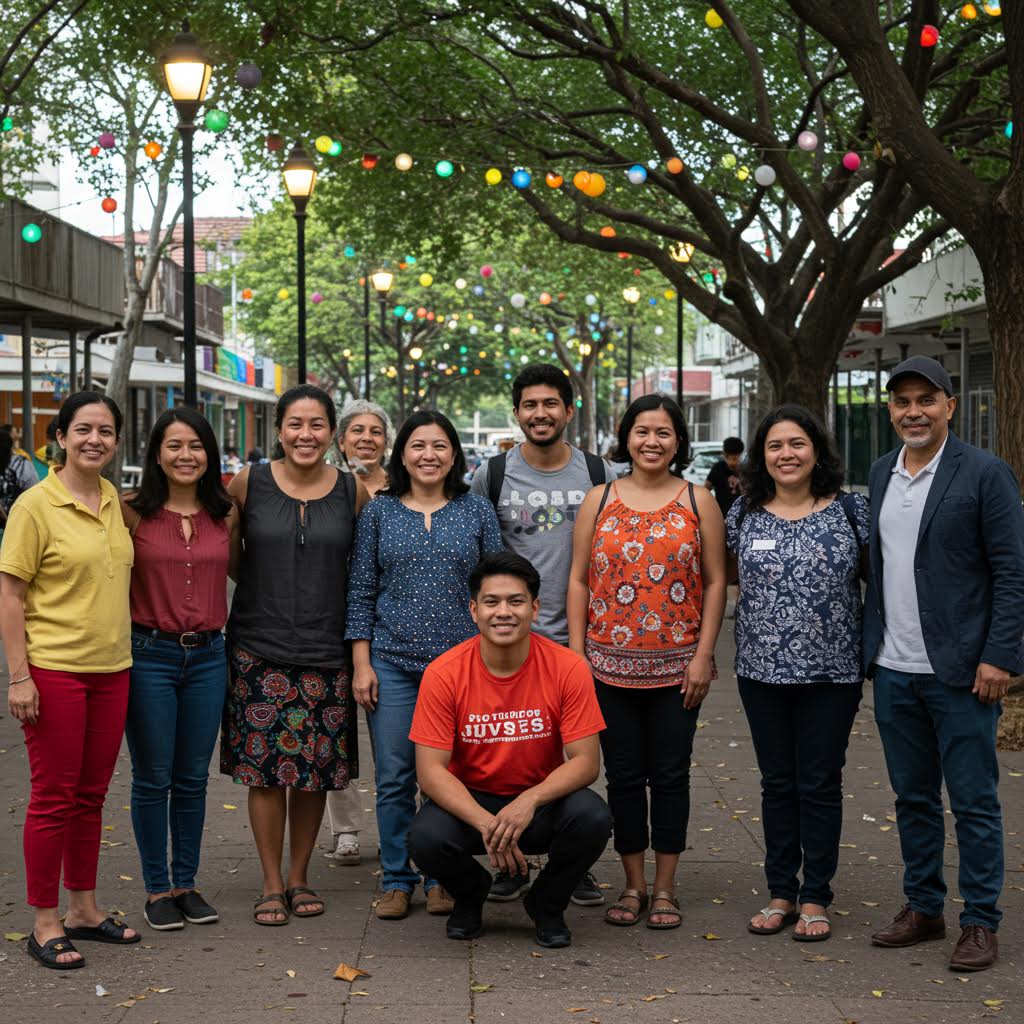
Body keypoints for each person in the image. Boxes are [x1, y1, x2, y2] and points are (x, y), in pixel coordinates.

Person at [863, 356, 1024, 972]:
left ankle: (980, 920)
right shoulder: (881, 473)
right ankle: (924, 906)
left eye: (925, 400)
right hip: (894, 666)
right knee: (913, 798)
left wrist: (999, 656)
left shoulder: (985, 473)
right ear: (891, 410)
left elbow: (1012, 572)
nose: (913, 411)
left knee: (975, 800)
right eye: (901, 401)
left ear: (950, 406)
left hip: (963, 671)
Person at [568, 394, 727, 929]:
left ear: (677, 441)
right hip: (607, 668)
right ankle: (632, 885)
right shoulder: (600, 498)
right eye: (642, 431)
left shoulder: (697, 499)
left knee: (671, 776)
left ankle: (665, 888)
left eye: (662, 432)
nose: (651, 442)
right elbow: (579, 580)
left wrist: (703, 655)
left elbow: (715, 580)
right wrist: (576, 656)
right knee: (623, 778)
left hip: (678, 669)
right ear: (626, 437)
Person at [346, 409, 504, 920]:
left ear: (454, 454)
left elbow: (496, 588)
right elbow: (361, 591)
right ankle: (397, 878)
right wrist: (361, 664)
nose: (429, 455)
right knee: (395, 776)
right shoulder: (380, 512)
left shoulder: (476, 510)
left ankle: (442, 876)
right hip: (391, 664)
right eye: (418, 446)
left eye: (439, 446)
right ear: (403, 454)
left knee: (450, 776)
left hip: (462, 668)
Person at [0, 392, 139, 969]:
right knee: (53, 797)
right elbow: (11, 594)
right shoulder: (35, 505)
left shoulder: (111, 497)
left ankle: (84, 908)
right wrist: (19, 678)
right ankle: (44, 921)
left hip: (113, 669)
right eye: (83, 429)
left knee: (91, 796)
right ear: (59, 437)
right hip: (54, 670)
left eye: (105, 432)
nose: (94, 440)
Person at [408, 552, 611, 947]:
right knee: (424, 836)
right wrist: (487, 824)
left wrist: (529, 801)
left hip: (540, 801)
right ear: (473, 610)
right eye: (491, 602)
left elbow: (587, 763)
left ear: (534, 607)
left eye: (516, 601)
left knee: (593, 817)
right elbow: (430, 772)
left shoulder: (567, 667)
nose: (504, 612)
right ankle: (470, 895)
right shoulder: (444, 673)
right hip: (472, 803)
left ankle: (547, 904)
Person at [470, 363, 615, 905]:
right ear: (517, 413)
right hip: (510, 640)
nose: (540, 414)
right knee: (512, 751)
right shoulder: (493, 474)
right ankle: (509, 859)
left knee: (571, 756)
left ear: (569, 410)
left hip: (580, 639)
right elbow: (480, 557)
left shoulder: (598, 472)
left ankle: (571, 861)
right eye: (530, 405)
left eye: (550, 403)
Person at [222, 384, 366, 926]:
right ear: (279, 429)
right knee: (264, 771)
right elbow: (231, 557)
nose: (306, 435)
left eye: (317, 425)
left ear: (332, 433)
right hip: (258, 647)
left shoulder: (352, 492)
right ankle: (270, 881)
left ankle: (302, 876)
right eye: (295, 424)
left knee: (314, 772)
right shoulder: (248, 483)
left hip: (328, 650)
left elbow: (363, 569)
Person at [725, 406, 869, 942]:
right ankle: (782, 890)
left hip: (833, 674)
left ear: (816, 450)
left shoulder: (852, 512)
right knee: (777, 784)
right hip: (761, 672)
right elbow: (725, 579)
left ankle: (816, 897)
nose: (786, 454)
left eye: (797, 443)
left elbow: (876, 584)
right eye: (775, 446)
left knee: (820, 784)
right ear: (762, 456)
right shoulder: (742, 514)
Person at [121, 408, 237, 930]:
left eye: (195, 445)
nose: (185, 455)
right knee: (153, 777)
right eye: (174, 446)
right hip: (149, 655)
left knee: (192, 777)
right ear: (156, 454)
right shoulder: (129, 512)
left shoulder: (226, 512)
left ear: (209, 453)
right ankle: (156, 889)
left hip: (210, 656)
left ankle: (186, 883)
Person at [324, 398, 393, 865]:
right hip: (329, 621)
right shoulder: (329, 486)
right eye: (357, 431)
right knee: (334, 728)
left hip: (385, 623)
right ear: (341, 439)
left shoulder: (401, 488)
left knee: (397, 735)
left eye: (376, 432)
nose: (366, 439)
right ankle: (345, 829)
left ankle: (404, 825)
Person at [0, 426, 39, 524]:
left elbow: (35, 493)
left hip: (17, 520)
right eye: (14, 432)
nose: (16, 434)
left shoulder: (21, 463)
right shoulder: (22, 464)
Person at [705, 436, 744, 518]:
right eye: (729, 458)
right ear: (725, 455)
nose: (732, 462)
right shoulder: (718, 468)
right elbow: (706, 490)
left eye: (735, 459)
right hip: (722, 516)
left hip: (743, 516)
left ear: (740, 455)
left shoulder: (746, 470)